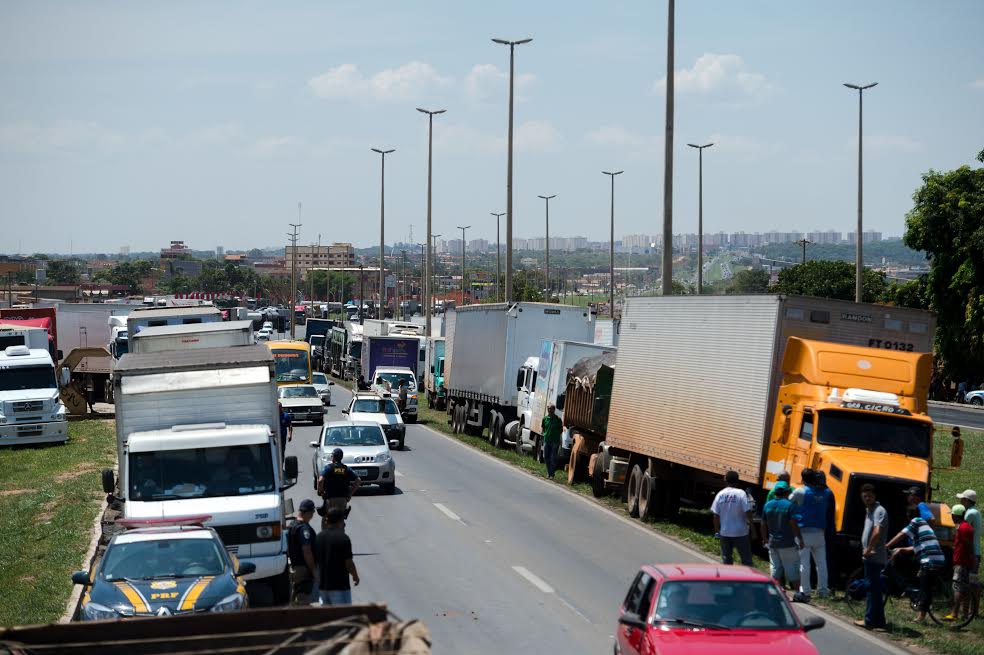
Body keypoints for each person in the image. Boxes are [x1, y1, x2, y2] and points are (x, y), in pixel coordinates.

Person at [886, 511, 946, 623]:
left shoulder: (917, 521)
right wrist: (901, 549)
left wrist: (887, 545)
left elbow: (901, 534)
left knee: (925, 589)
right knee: (919, 576)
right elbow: (915, 548)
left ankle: (921, 617)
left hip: (930, 560)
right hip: (934, 558)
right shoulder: (923, 529)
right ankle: (911, 592)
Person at [854, 483, 888, 631]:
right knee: (874, 589)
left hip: (874, 555)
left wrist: (869, 548)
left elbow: (877, 531)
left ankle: (869, 620)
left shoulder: (879, 511)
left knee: (871, 588)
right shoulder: (870, 510)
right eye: (864, 495)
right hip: (871, 555)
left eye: (870, 495)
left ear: (875, 496)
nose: (867, 498)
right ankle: (879, 621)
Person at [795, 468, 830, 600]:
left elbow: (789, 502)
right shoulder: (826, 493)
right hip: (820, 532)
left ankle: (806, 590)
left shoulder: (801, 491)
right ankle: (823, 590)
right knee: (821, 563)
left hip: (804, 532)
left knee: (804, 563)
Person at [760, 481, 802, 590]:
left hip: (773, 543)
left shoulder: (767, 505)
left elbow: (763, 524)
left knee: (775, 569)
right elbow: (793, 523)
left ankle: (777, 593)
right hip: (788, 543)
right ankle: (798, 593)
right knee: (792, 568)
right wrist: (799, 538)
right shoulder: (790, 506)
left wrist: (765, 539)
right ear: (787, 492)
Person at [315, 507, 360, 605]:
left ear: (327, 521)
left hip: (323, 587)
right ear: (340, 521)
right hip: (339, 587)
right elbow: (348, 563)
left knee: (327, 617)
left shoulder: (318, 538)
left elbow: (316, 562)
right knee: (343, 617)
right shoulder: (343, 538)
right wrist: (355, 576)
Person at [711, 470, 753, 566]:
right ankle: (748, 579)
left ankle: (728, 579)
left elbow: (716, 515)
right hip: (741, 532)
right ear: (737, 481)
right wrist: (753, 529)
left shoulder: (720, 494)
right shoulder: (741, 493)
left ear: (725, 480)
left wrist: (717, 530)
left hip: (725, 532)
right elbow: (748, 512)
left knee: (727, 559)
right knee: (746, 560)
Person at [318, 448, 361, 528]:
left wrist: (321, 492)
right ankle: (340, 535)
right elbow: (358, 480)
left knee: (327, 519)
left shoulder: (328, 468)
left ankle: (325, 536)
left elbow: (320, 481)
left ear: (333, 457)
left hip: (330, 499)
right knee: (340, 520)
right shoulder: (346, 469)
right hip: (342, 500)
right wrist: (350, 494)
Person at [946, 504, 975, 622]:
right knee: (964, 587)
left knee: (957, 587)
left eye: (952, 515)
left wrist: (971, 557)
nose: (951, 517)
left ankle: (954, 613)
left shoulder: (963, 528)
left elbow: (968, 544)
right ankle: (964, 614)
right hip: (963, 561)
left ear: (956, 515)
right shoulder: (965, 526)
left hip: (962, 562)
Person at [287, 499, 318, 605]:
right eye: (313, 512)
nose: (313, 515)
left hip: (295, 567)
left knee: (295, 599)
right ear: (308, 512)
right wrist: (313, 569)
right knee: (303, 599)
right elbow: (307, 550)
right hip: (303, 569)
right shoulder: (303, 528)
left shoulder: (292, 525)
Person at [541, 404, 563, 479]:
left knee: (553, 458)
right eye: (548, 408)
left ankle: (552, 474)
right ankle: (549, 472)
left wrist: (555, 435)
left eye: (551, 409)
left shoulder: (558, 419)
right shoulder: (545, 419)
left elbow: (561, 430)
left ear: (554, 410)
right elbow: (543, 428)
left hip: (555, 441)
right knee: (546, 457)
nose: (549, 410)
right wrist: (545, 435)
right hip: (547, 440)